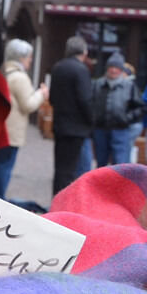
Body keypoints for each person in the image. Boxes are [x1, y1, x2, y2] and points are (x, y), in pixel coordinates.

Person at [0, 38, 48, 199]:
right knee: (4, 167)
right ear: (21, 57)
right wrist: (41, 95)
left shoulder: (3, 71)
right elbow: (28, 105)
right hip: (11, 132)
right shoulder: (20, 77)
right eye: (29, 57)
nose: (30, 60)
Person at [49, 35, 93, 195]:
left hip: (60, 125)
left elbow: (52, 97)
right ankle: (65, 206)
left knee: (60, 169)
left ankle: (56, 200)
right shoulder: (81, 70)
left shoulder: (57, 67)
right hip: (77, 128)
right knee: (73, 170)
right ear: (84, 51)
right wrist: (91, 121)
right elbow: (85, 100)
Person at [89, 52, 145, 166]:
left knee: (120, 164)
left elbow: (140, 108)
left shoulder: (129, 86)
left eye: (117, 68)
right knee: (101, 164)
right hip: (100, 130)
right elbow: (89, 103)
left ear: (121, 70)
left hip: (121, 130)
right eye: (111, 67)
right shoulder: (97, 84)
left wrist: (127, 118)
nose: (114, 70)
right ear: (107, 68)